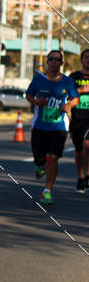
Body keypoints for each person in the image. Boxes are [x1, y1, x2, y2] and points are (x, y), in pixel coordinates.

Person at [25, 49, 79, 204]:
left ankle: (47, 191)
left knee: (54, 157)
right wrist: (36, 102)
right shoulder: (38, 79)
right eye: (51, 59)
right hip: (40, 126)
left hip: (59, 127)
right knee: (38, 157)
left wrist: (69, 104)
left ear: (62, 63)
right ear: (47, 62)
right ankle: (41, 164)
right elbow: (28, 94)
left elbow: (75, 98)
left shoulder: (68, 81)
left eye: (57, 59)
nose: (54, 61)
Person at [69, 47, 89, 192]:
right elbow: (67, 95)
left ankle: (88, 175)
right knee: (79, 152)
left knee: (87, 145)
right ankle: (81, 177)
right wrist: (81, 91)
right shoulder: (74, 76)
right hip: (77, 118)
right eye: (86, 57)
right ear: (81, 60)